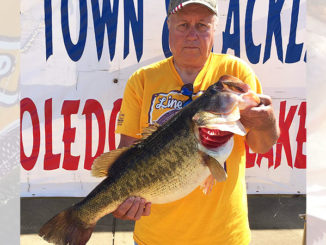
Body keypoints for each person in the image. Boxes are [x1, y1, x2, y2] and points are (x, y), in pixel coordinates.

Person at [114, 0, 280, 244]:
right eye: (183, 24)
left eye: (202, 25)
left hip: (224, 235)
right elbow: (125, 153)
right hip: (155, 236)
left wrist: (267, 121)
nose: (192, 34)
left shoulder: (234, 73)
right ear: (168, 27)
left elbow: (262, 146)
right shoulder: (142, 80)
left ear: (214, 30)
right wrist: (120, 201)